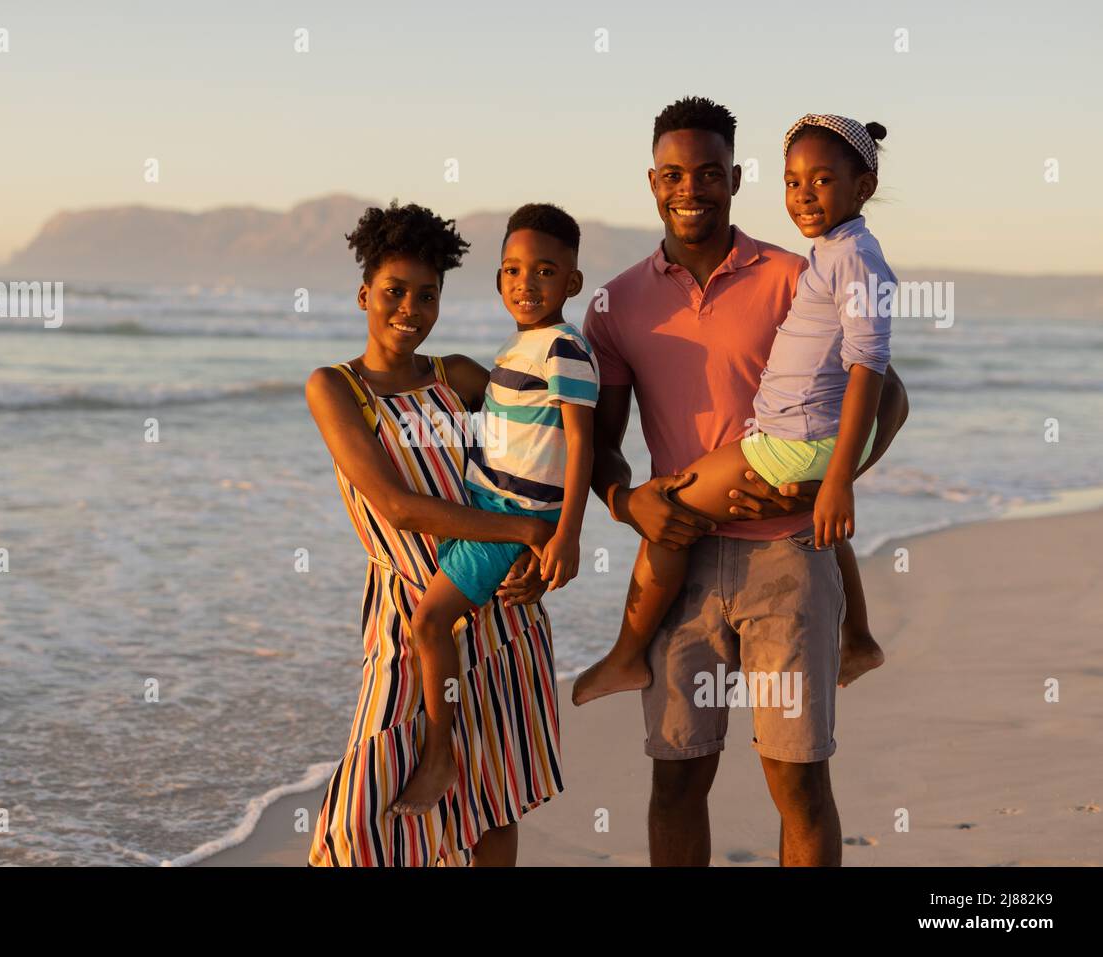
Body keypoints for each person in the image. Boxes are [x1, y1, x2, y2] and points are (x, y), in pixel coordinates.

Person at [580, 97, 909, 865]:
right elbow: (602, 444)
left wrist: (824, 484)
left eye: (706, 173)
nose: (687, 188)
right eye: (671, 174)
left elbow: (886, 392)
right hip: (680, 569)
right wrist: (626, 504)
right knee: (676, 782)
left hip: (788, 561)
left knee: (796, 783)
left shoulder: (801, 272)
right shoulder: (616, 303)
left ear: (735, 177)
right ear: (652, 182)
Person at [303, 200, 562, 866]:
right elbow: (398, 506)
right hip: (407, 618)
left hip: (497, 612)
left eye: (427, 294)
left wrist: (548, 539)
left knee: (492, 803)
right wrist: (524, 527)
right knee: (358, 822)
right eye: (394, 291)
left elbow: (552, 436)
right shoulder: (336, 388)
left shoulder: (461, 377)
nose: (410, 308)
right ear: (365, 292)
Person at [390, 203, 597, 816]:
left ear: (572, 282)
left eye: (543, 272)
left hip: (506, 518)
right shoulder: (519, 346)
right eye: (511, 271)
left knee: (430, 624)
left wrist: (565, 537)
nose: (524, 284)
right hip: (482, 503)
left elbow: (581, 442)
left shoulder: (564, 348)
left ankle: (439, 755)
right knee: (445, 624)